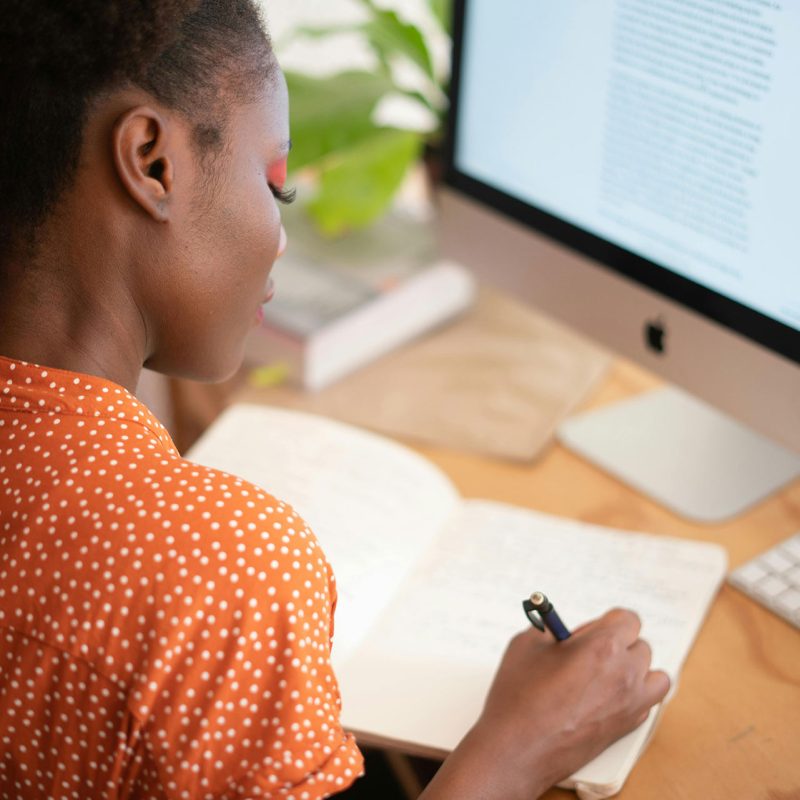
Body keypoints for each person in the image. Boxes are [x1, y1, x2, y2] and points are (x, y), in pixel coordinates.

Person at [0, 1, 670, 798]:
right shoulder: (216, 573)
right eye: (276, 186)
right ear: (151, 161)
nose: (281, 238)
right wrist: (517, 745)